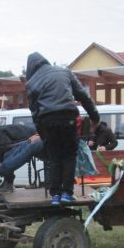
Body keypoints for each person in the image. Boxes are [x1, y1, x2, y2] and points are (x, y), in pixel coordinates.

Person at [25, 52, 100, 205]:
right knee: (69, 156)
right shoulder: (64, 71)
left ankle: (55, 196)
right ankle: (67, 193)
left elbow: (34, 112)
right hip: (68, 119)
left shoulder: (31, 83)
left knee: (54, 158)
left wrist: (42, 133)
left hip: (47, 122)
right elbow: (83, 96)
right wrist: (95, 117)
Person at [0, 125, 45, 193]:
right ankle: (7, 182)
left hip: (33, 139)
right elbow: (3, 150)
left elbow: (7, 147)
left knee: (7, 155)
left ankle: (8, 183)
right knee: (6, 156)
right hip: (28, 141)